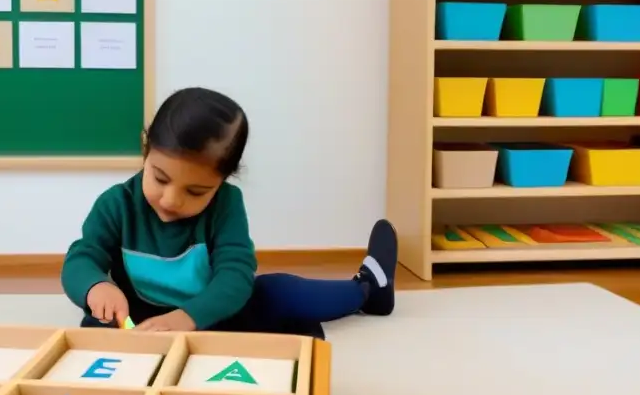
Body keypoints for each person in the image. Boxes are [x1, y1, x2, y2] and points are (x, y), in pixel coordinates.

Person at [60, 87, 398, 339]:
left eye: (196, 191)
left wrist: (189, 317)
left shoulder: (227, 205)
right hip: (139, 318)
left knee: (283, 296)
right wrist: (95, 287)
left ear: (224, 179)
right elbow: (81, 258)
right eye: (160, 178)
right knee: (94, 328)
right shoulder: (116, 204)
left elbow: (235, 275)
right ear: (146, 148)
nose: (171, 200)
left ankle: (368, 288)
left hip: (214, 312)